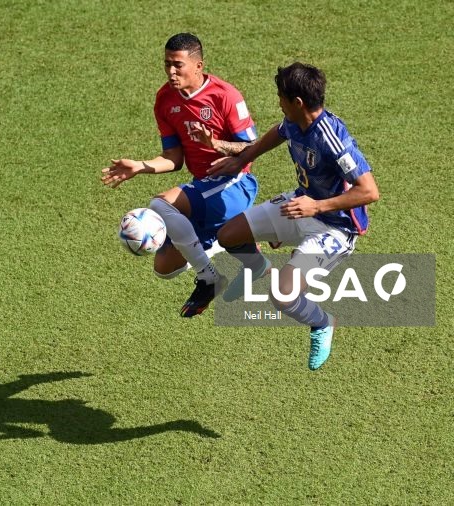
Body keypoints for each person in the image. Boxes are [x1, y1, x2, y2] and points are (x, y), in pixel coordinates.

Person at [209, 62, 380, 370]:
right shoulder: (295, 121)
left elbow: (369, 191)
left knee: (282, 297)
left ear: (297, 102)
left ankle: (322, 323)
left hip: (334, 228)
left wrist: (315, 207)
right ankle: (258, 268)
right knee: (228, 236)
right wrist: (242, 159)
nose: (278, 102)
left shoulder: (332, 138)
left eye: (280, 97)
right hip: (299, 204)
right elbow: (277, 133)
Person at [101, 32, 260, 317]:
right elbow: (174, 159)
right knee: (163, 268)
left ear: (198, 65)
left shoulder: (226, 96)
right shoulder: (165, 100)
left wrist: (214, 145)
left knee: (160, 204)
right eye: (166, 65)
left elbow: (251, 147)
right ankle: (234, 248)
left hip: (235, 185)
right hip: (203, 189)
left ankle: (209, 277)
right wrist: (141, 166)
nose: (171, 72)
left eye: (178, 65)